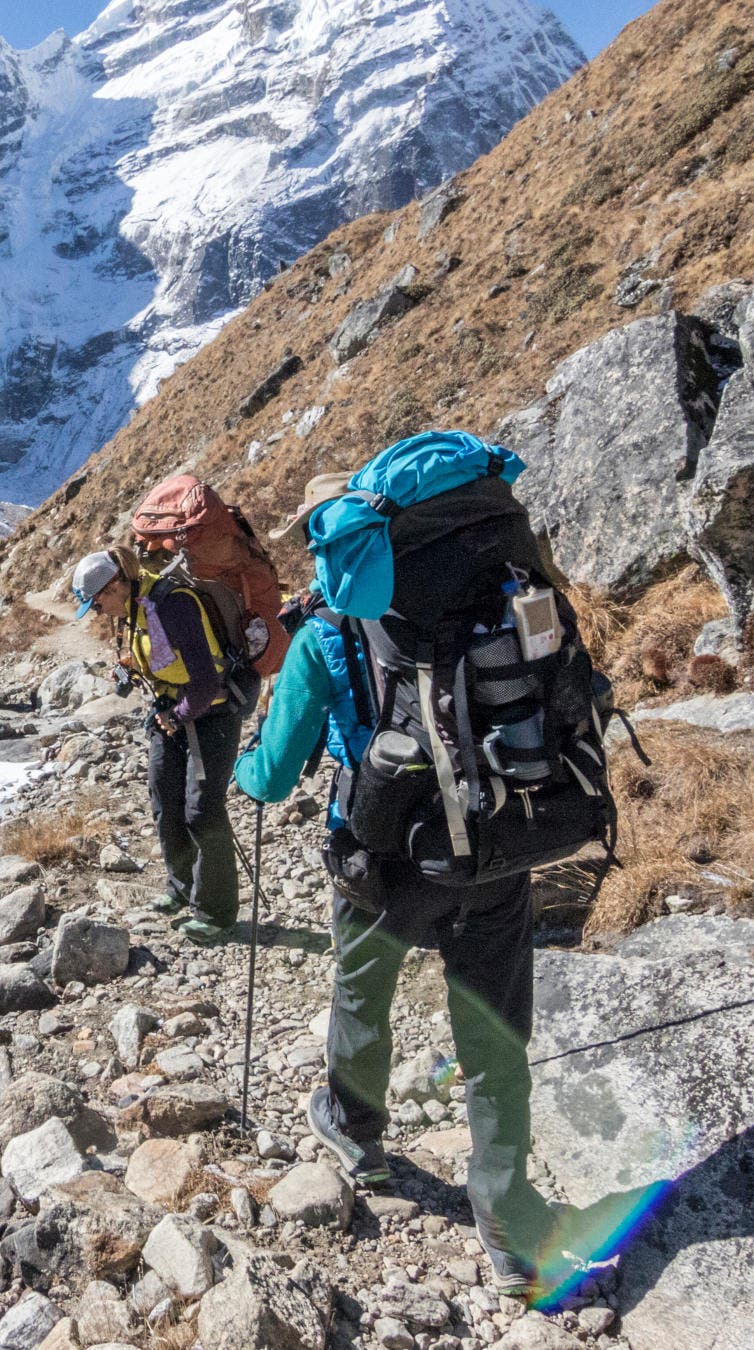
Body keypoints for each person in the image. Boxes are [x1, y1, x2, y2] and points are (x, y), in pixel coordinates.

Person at [233, 466, 563, 1298]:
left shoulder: (325, 635)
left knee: (362, 992)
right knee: (494, 1038)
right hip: (494, 848)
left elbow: (272, 778)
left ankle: (354, 1128)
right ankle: (507, 1221)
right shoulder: (481, 596)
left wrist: (245, 767)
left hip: (380, 862)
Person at [70, 546, 246, 945]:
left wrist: (176, 716)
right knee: (164, 798)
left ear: (115, 586)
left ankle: (216, 913)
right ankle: (181, 888)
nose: (96, 613)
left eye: (96, 604)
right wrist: (131, 672)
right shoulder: (133, 611)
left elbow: (206, 683)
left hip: (212, 714)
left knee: (202, 810)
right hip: (170, 711)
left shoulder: (173, 605)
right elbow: (159, 659)